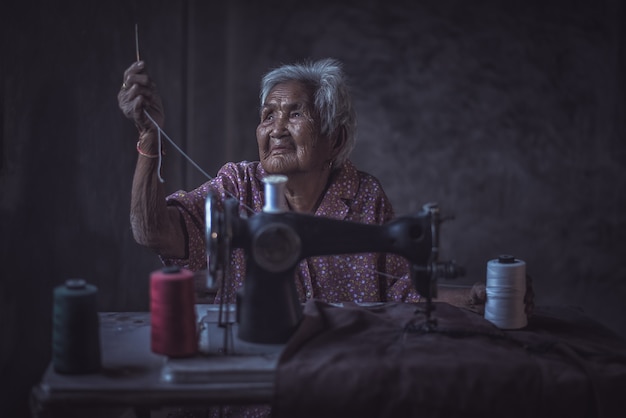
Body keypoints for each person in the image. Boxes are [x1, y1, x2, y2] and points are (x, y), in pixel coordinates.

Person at [118, 57, 421, 305]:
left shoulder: (365, 196)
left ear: (336, 140)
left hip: (343, 360)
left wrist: (467, 297)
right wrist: (149, 136)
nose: (276, 129)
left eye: (296, 114)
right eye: (267, 116)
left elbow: (402, 292)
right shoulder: (236, 186)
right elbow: (153, 232)